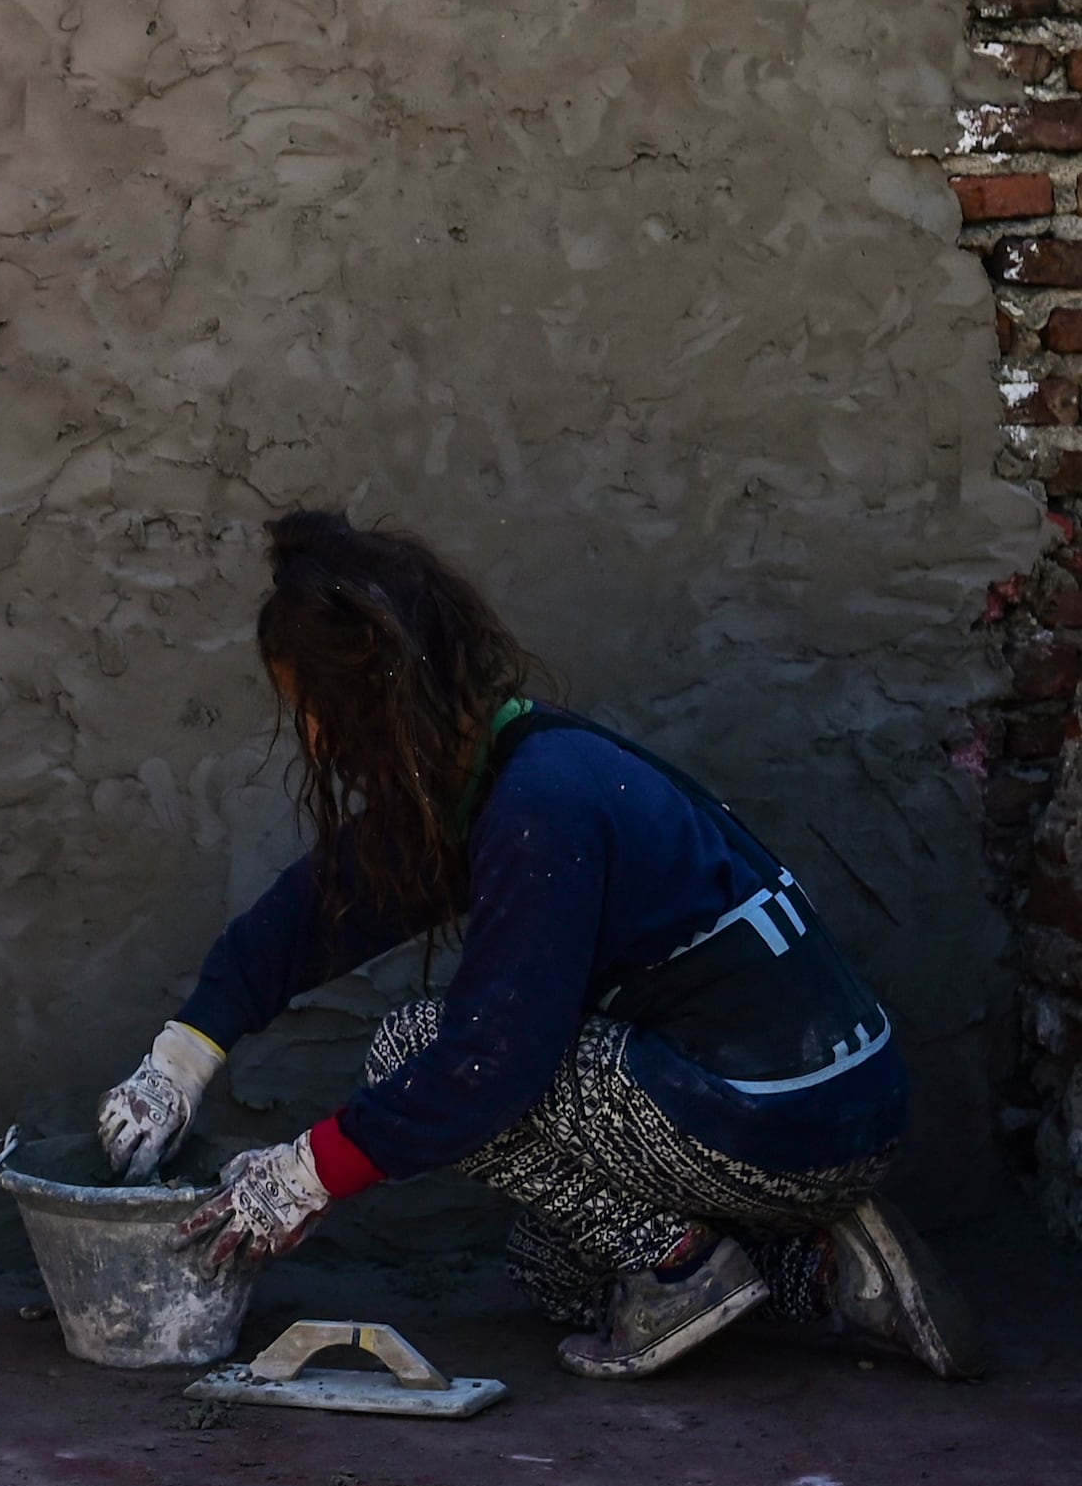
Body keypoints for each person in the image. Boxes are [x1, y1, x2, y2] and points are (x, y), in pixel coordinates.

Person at [103, 510, 982, 1384]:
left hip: (781, 1114)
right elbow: (322, 906)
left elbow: (491, 1062)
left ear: (368, 698)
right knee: (553, 1269)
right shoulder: (511, 760)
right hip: (834, 1105)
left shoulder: (538, 803)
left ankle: (684, 1266)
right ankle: (826, 1265)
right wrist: (181, 1056)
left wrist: (308, 1171)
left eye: (314, 711)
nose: (316, 743)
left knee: (414, 1050)